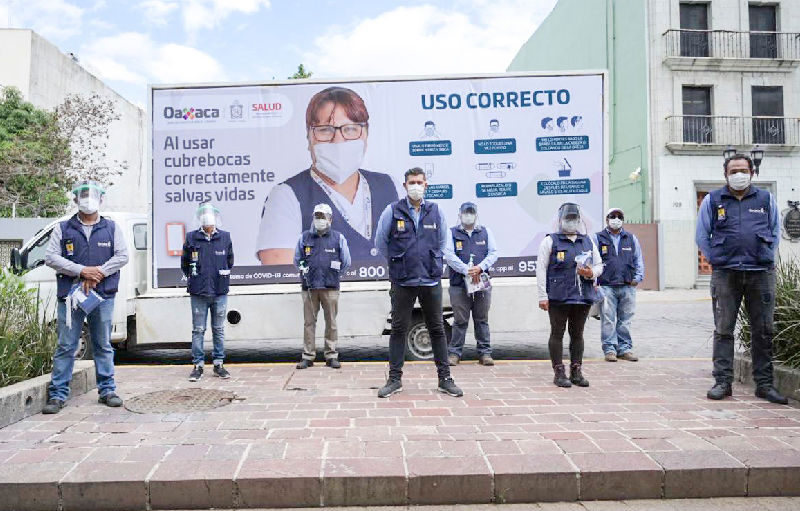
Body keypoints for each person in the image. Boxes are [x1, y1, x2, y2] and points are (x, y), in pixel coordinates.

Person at [256, 86, 398, 266]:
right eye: (325, 130)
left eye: (350, 129)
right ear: (309, 137)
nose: (338, 140)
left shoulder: (391, 186)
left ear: (366, 134)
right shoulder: (285, 196)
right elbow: (280, 276)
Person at [696, 154, 787, 404]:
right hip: (726, 274)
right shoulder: (713, 201)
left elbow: (775, 231)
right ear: (725, 174)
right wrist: (717, 259)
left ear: (752, 173)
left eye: (743, 170)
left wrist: (766, 256)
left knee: (764, 330)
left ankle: (765, 385)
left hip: (761, 273)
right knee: (723, 329)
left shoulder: (766, 199)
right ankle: (723, 382)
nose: (739, 175)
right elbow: (702, 235)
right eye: (733, 170)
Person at [374, 167, 462, 398]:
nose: (415, 186)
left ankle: (445, 379)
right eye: (411, 182)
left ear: (426, 186)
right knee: (398, 329)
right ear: (404, 186)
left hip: (430, 279)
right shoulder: (392, 211)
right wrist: (399, 261)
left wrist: (432, 263)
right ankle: (394, 380)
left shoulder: (436, 211)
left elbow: (444, 243)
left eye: (419, 182)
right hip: (402, 280)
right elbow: (381, 242)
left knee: (437, 329)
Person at [43, 180, 128, 414]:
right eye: (83, 195)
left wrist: (97, 272)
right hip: (71, 297)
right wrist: (81, 271)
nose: (88, 199)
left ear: (101, 200)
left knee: (103, 344)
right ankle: (58, 395)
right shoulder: (63, 228)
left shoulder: (111, 227)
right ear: (75, 199)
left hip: (102, 295)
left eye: (92, 195)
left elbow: (122, 256)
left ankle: (107, 390)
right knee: (66, 345)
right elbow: (51, 258)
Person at [536, 203, 603, 388]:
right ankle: (559, 372)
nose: (571, 222)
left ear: (579, 221)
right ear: (560, 221)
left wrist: (591, 273)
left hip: (582, 296)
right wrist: (543, 296)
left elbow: (599, 265)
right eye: (568, 219)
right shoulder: (550, 241)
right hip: (558, 296)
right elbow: (541, 269)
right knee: (557, 333)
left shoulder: (587, 241)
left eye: (574, 219)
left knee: (577, 334)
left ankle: (576, 371)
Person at [293, 203, 351, 369]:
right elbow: (297, 260)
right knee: (309, 323)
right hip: (309, 288)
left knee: (331, 322)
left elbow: (346, 262)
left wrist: (334, 275)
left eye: (323, 216)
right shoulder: (304, 238)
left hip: (330, 287)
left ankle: (331, 355)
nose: (319, 220)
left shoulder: (338, 238)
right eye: (317, 216)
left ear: (330, 219)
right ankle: (308, 356)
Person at [182, 202, 234, 382]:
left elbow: (230, 261)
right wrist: (197, 278)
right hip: (198, 292)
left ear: (216, 216)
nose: (207, 216)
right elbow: (185, 264)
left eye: (210, 213)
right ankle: (198, 365)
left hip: (219, 291)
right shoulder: (191, 238)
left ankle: (219, 364)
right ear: (199, 217)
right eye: (203, 213)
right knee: (198, 330)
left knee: (218, 329)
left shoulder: (225, 237)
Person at [444, 202, 499, 366]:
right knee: (460, 321)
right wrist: (466, 270)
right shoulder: (451, 233)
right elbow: (448, 255)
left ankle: (485, 354)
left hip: (481, 283)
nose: (468, 215)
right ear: (459, 214)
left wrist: (480, 268)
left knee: (482, 320)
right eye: (465, 213)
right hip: (458, 285)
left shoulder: (486, 232)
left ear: (476, 214)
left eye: (471, 212)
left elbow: (494, 253)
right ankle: (454, 354)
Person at [594, 208, 644, 362]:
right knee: (608, 319)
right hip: (606, 286)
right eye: (613, 216)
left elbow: (638, 259)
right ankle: (609, 349)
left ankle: (625, 349)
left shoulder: (631, 238)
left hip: (627, 286)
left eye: (619, 216)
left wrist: (638, 277)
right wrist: (595, 282)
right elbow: (593, 261)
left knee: (625, 320)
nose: (616, 219)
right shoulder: (598, 238)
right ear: (607, 219)